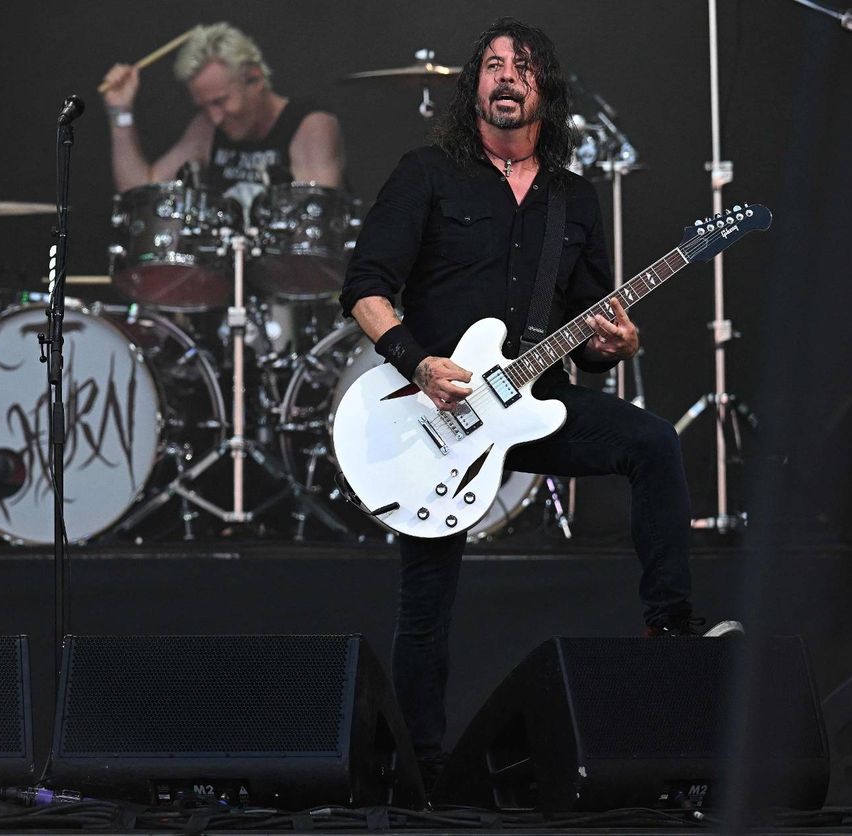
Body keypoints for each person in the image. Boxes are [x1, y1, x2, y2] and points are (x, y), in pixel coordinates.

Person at [339, 17, 742, 790]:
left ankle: (669, 626)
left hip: (535, 406)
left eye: (520, 67)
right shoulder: (428, 173)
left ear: (543, 92)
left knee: (651, 443)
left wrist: (617, 344)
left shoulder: (573, 198)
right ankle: (419, 773)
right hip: (441, 414)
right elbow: (363, 288)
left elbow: (591, 322)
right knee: (426, 601)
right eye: (491, 66)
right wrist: (418, 364)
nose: (504, 76)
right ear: (474, 88)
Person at [101, 21, 346, 209]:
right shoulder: (207, 128)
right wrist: (120, 113)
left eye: (220, 101)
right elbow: (140, 194)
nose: (215, 117)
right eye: (204, 106)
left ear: (254, 78)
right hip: (227, 273)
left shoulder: (309, 126)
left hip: (290, 274)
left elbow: (314, 226)